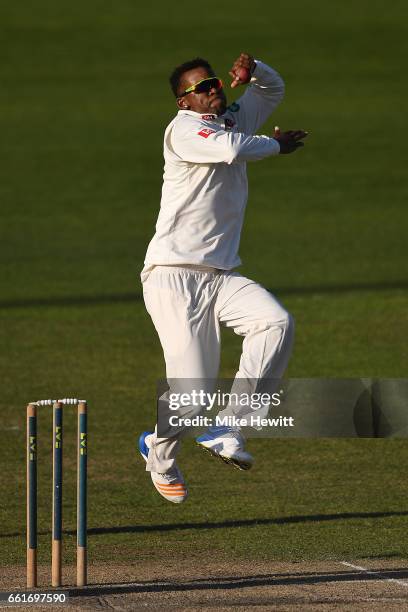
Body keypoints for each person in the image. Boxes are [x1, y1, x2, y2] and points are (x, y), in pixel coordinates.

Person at [139, 52, 307, 503]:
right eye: (200, 88)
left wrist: (258, 71)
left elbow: (272, 91)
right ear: (183, 102)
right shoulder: (182, 131)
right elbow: (232, 150)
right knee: (191, 400)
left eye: (214, 82)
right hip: (173, 277)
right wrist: (277, 146)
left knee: (275, 323)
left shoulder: (229, 119)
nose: (212, 90)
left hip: (220, 275)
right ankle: (157, 450)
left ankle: (230, 425)